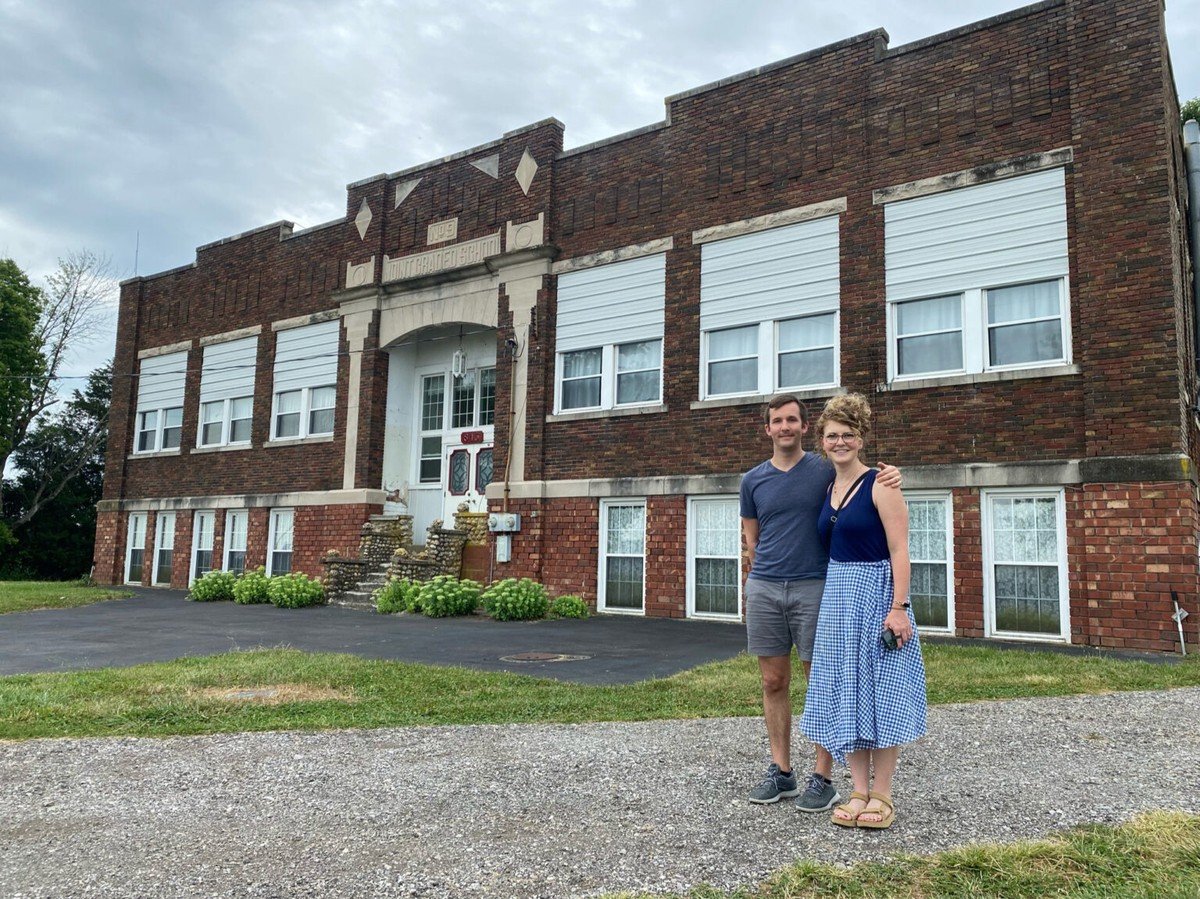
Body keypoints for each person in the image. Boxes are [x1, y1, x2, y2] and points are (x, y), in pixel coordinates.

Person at [740, 394, 900, 811]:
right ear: (768, 429)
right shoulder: (752, 480)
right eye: (777, 421)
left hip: (817, 587)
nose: (785, 427)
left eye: (792, 419)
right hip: (765, 588)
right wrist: (765, 574)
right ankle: (781, 772)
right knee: (773, 682)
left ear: (805, 427)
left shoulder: (823, 470)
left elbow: (861, 475)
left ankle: (823, 776)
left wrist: (895, 475)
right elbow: (751, 540)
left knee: (824, 682)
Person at [799, 393, 927, 829]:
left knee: (883, 690)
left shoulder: (881, 484)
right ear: (822, 440)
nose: (840, 442)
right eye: (832, 435)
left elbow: (900, 549)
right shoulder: (826, 486)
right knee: (847, 691)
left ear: (861, 438)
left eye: (847, 435)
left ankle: (884, 795)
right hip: (838, 599)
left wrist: (899, 608)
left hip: (877, 595)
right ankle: (857, 790)